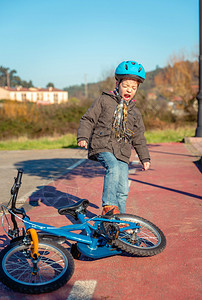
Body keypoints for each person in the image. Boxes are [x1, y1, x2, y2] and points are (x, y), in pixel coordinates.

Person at [77, 60, 150, 215]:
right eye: (126, 86)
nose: (129, 90)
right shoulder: (104, 100)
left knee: (123, 188)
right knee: (113, 167)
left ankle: (118, 221)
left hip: (122, 152)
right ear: (118, 84)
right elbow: (88, 119)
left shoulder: (135, 113)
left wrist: (145, 158)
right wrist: (83, 136)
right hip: (103, 145)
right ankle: (109, 206)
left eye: (133, 87)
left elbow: (139, 137)